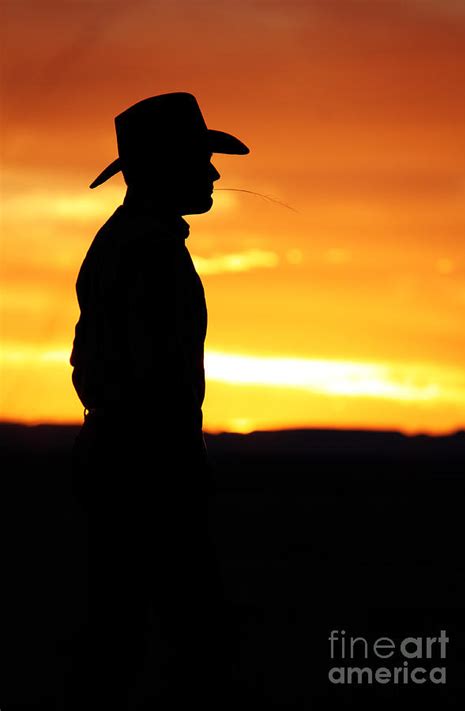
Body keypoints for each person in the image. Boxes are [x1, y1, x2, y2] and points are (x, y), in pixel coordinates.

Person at [67, 92, 250, 709]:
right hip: (147, 471)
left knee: (122, 635)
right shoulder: (148, 250)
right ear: (166, 166)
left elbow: (91, 364)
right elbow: (145, 376)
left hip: (122, 462)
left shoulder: (125, 242)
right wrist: (173, 463)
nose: (215, 173)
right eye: (202, 159)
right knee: (181, 643)